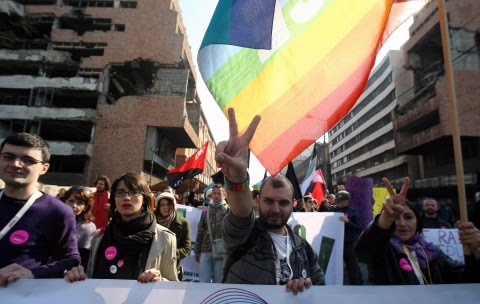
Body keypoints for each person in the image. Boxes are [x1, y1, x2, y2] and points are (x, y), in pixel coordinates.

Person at [217, 108, 325, 294]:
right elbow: (241, 213)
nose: (275, 209)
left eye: (283, 203)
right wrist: (237, 178)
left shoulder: (303, 248)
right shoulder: (244, 235)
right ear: (257, 201)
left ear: (293, 204)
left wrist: (305, 290)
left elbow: (322, 290)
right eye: (268, 201)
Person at [356, 177, 480, 284]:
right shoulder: (383, 251)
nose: (402, 224)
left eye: (408, 217)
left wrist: (476, 252)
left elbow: (462, 277)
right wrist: (385, 218)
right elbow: (364, 252)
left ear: (417, 222)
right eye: (395, 218)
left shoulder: (432, 251)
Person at [64, 173, 178, 283]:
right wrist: (77, 275)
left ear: (144, 198)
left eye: (133, 192)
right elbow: (90, 277)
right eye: (120, 192)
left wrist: (160, 281)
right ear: (113, 198)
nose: (126, 197)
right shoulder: (98, 237)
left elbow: (173, 287)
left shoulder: (165, 239)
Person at [0, 133, 80, 286]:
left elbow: (71, 261)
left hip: (18, 296)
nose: (16, 164)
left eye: (28, 160)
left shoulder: (57, 212)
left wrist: (32, 273)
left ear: (44, 168)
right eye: (8, 157)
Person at [194, 183, 229, 283]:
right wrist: (197, 250)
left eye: (219, 193)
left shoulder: (228, 210)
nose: (216, 195)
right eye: (214, 193)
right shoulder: (206, 209)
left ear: (223, 195)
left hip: (220, 250)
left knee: (218, 282)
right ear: (211, 194)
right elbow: (200, 229)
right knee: (203, 282)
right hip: (206, 249)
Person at [155, 191, 191, 280]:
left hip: (173, 267)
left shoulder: (183, 223)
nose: (165, 207)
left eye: (168, 204)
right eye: (162, 205)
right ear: (158, 207)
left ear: (173, 205)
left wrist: (171, 255)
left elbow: (186, 248)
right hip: (153, 266)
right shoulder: (151, 222)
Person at [331, 190, 363, 285]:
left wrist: (348, 221)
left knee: (352, 267)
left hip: (348, 243)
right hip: (335, 243)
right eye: (337, 201)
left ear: (346, 200)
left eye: (340, 201)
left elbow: (359, 228)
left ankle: (356, 286)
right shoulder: (332, 210)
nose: (338, 203)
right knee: (334, 266)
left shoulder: (353, 212)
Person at [62, 186, 97, 268]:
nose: (74, 205)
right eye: (71, 201)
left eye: (79, 203)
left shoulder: (88, 227)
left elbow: (84, 258)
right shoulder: (53, 220)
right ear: (64, 201)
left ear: (85, 207)